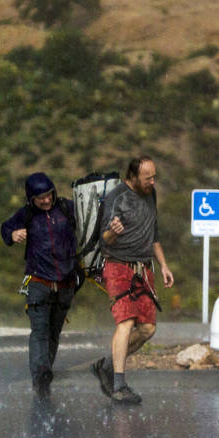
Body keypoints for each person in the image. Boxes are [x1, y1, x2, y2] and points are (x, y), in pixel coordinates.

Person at [90, 156, 174, 404]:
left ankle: (106, 365)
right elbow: (104, 240)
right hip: (118, 266)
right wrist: (112, 232)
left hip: (144, 268)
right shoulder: (117, 198)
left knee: (148, 329)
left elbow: (153, 234)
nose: (152, 181)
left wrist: (164, 265)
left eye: (154, 177)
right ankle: (119, 385)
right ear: (133, 176)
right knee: (125, 322)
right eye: (148, 178)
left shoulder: (151, 194)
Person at [0, 172, 79, 397]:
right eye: (39, 197)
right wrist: (12, 234)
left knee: (54, 332)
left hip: (65, 284)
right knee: (40, 331)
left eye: (48, 195)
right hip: (38, 282)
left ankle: (45, 372)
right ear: (30, 199)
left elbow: (90, 217)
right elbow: (5, 228)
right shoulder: (25, 215)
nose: (45, 200)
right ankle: (40, 375)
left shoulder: (66, 208)